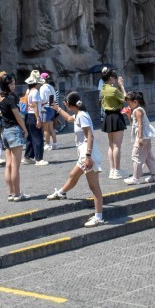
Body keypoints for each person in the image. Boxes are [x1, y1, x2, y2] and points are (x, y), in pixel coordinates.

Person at [46, 92, 105, 226]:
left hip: (88, 154)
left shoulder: (82, 115)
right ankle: (61, 193)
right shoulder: (79, 114)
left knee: (94, 187)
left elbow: (90, 136)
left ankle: (99, 216)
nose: (63, 105)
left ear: (68, 103)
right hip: (84, 153)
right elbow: (68, 119)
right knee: (73, 175)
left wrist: (88, 156)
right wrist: (57, 109)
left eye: (64, 103)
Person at [0, 74, 29, 201]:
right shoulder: (11, 98)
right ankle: (17, 194)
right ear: (6, 85)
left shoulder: (0, 97)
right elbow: (17, 116)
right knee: (15, 166)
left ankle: (11, 193)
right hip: (14, 131)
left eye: (14, 83)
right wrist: (25, 129)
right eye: (11, 84)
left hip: (5, 132)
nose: (13, 86)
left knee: (8, 165)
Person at [124, 90, 155, 185]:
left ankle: (135, 178)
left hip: (142, 136)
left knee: (136, 156)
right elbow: (134, 123)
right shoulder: (137, 110)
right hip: (146, 136)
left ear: (135, 101)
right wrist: (128, 115)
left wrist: (139, 138)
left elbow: (140, 125)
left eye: (129, 103)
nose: (128, 105)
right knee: (148, 156)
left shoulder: (138, 111)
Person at [100, 69, 128, 179]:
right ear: (111, 78)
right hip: (116, 116)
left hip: (107, 116)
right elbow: (126, 98)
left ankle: (112, 170)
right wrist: (121, 86)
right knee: (117, 145)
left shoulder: (103, 89)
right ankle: (117, 170)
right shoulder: (114, 90)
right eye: (114, 77)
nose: (116, 79)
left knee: (111, 145)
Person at [24, 74, 48, 166]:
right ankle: (39, 158)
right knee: (38, 137)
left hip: (29, 115)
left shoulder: (29, 92)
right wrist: (38, 119)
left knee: (31, 137)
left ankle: (28, 156)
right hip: (33, 116)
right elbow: (34, 105)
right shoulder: (35, 92)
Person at [40, 71, 58, 151]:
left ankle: (47, 144)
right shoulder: (51, 87)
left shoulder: (42, 88)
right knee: (51, 128)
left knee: (45, 129)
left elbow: (42, 99)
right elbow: (54, 99)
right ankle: (55, 143)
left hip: (45, 108)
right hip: (52, 108)